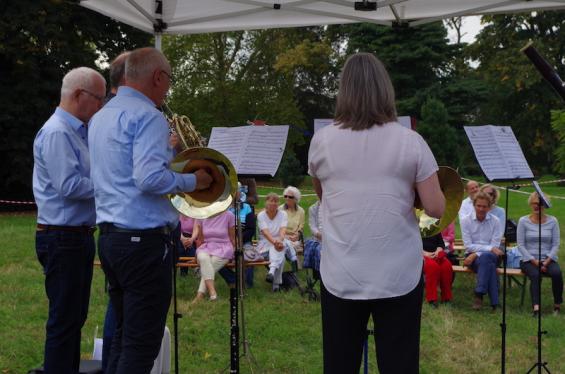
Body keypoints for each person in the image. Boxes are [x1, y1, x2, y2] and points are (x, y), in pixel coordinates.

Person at [308, 53, 445, 374]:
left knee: (340, 365)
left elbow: (324, 195)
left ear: (344, 91)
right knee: (399, 365)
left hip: (341, 273)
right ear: (386, 91)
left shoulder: (322, 141)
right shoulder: (411, 141)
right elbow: (436, 208)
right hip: (398, 275)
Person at [89, 47, 212, 373]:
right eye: (169, 79)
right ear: (158, 77)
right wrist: (193, 180)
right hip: (144, 243)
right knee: (141, 346)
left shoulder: (101, 116)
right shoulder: (148, 117)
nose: (169, 87)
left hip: (112, 239)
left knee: (122, 336)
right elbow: (148, 178)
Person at [33, 66, 106, 374]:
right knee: (64, 321)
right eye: (99, 99)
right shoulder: (58, 132)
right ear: (79, 95)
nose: (101, 106)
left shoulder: (76, 131)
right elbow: (69, 185)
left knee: (73, 318)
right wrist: (111, 184)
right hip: (63, 237)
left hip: (74, 236)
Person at [517, 192, 562, 316]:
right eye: (534, 204)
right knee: (535, 275)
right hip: (528, 260)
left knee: (556, 273)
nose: (537, 206)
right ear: (531, 204)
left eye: (540, 204)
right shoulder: (523, 221)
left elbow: (556, 244)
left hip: (548, 259)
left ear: (545, 206)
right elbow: (520, 244)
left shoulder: (553, 221)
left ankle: (557, 305)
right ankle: (536, 308)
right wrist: (534, 261)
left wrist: (546, 262)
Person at [460, 191, 503, 311]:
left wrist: (476, 254)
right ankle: (495, 302)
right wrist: (485, 250)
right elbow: (468, 245)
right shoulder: (465, 220)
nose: (481, 209)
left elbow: (495, 245)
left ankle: (479, 294)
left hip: (492, 256)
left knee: (487, 258)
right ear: (474, 205)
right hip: (476, 257)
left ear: (489, 207)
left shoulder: (495, 221)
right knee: (488, 263)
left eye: (484, 206)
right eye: (478, 206)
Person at [257, 193, 299, 291]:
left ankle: (271, 272)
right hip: (266, 242)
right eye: (271, 201)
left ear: (278, 203)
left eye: (276, 201)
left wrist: (279, 241)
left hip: (280, 240)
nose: (273, 203)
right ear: (266, 202)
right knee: (280, 254)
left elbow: (282, 230)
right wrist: (276, 243)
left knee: (280, 248)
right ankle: (276, 285)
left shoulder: (283, 214)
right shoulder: (261, 215)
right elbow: (266, 233)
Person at [192, 210, 236, 302]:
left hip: (224, 248)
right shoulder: (202, 215)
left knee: (208, 266)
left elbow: (232, 237)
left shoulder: (229, 215)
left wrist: (235, 251)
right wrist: (196, 256)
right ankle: (213, 294)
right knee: (204, 259)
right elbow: (200, 239)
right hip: (206, 246)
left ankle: (200, 295)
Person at [422, 234, 453, 307]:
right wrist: (426, 254)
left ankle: (446, 297)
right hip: (420, 255)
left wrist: (437, 251)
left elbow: (441, 243)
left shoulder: (434, 228)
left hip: (435, 254)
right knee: (432, 267)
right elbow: (412, 245)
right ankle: (432, 299)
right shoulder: (415, 227)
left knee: (447, 266)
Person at [279, 185, 305, 255]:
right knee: (286, 245)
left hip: (294, 238)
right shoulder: (280, 209)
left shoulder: (301, 211)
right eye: (285, 196)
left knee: (295, 245)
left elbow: (301, 227)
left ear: (296, 199)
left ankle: (295, 264)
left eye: (290, 197)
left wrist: (297, 235)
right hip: (281, 237)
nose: (287, 198)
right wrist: (284, 236)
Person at [303, 199, 322, 274]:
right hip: (319, 238)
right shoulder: (313, 208)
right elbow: (312, 226)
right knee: (318, 249)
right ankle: (318, 272)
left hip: (333, 239)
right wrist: (318, 234)